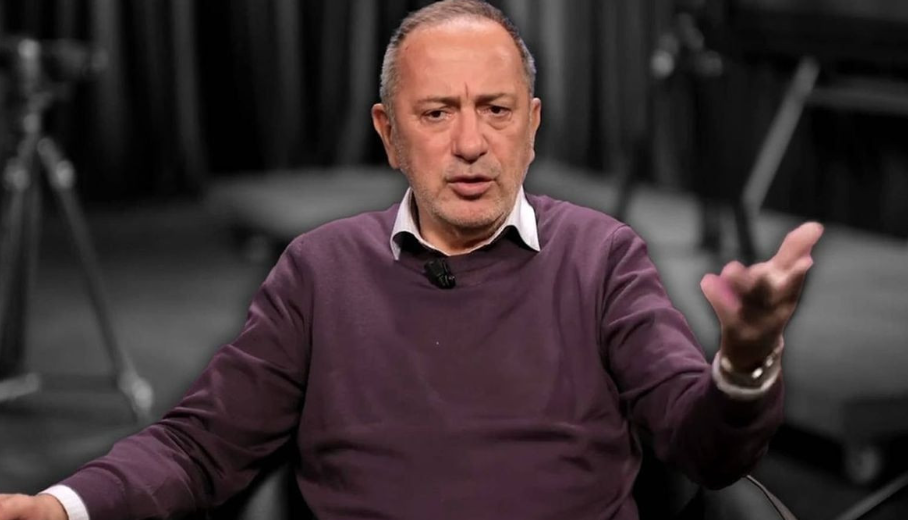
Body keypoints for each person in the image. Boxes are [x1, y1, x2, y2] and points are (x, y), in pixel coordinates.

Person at [0, 1, 823, 519]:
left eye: (495, 110)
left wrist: (744, 364)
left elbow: (705, 448)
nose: (470, 143)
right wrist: (63, 506)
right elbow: (198, 447)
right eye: (436, 113)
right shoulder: (319, 271)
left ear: (532, 127)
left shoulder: (602, 258)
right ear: (388, 134)